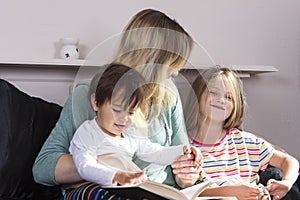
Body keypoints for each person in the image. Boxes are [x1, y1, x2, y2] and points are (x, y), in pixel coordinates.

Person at [33, 8, 201, 199]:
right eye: (171, 65)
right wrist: (108, 164)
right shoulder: (89, 94)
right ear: (150, 60)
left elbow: (180, 166)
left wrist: (187, 173)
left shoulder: (167, 94)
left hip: (162, 193)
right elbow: (43, 167)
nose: (175, 73)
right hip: (113, 191)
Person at [68, 63, 200, 189]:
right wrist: (116, 176)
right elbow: (84, 166)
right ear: (96, 102)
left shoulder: (131, 132)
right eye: (117, 110)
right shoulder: (88, 131)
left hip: (121, 188)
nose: (124, 119)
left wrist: (182, 151)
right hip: (90, 187)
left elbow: (154, 152)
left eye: (131, 112)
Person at [184, 67, 299, 200]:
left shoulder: (245, 142)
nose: (221, 100)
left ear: (235, 105)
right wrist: (231, 192)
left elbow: (289, 160)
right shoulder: (184, 146)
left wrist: (286, 182)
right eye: (214, 92)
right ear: (197, 94)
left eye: (228, 97)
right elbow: (189, 191)